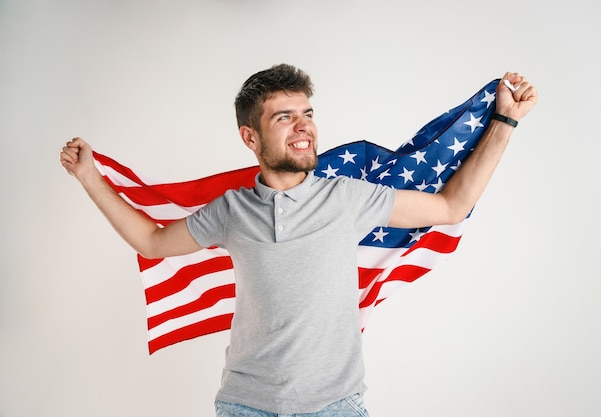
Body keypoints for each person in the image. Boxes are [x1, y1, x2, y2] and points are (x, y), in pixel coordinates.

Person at [60, 64, 537, 416]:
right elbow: (152, 240)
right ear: (250, 137)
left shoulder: (349, 198)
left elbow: (452, 205)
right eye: (284, 117)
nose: (304, 125)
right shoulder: (231, 211)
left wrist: (504, 123)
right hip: (246, 406)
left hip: (336, 406)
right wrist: (89, 177)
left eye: (306, 113)